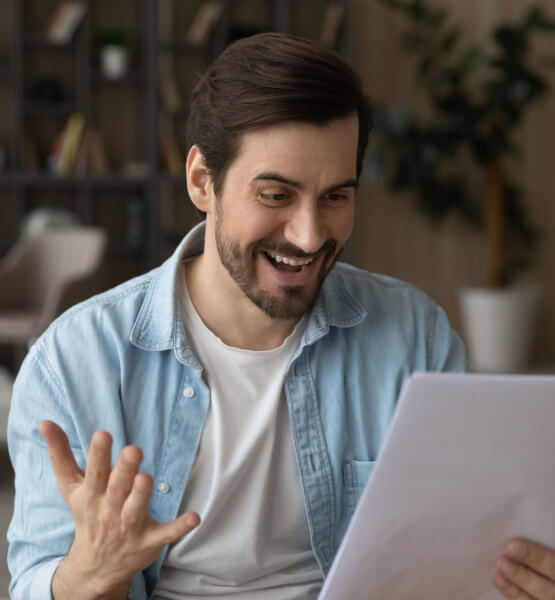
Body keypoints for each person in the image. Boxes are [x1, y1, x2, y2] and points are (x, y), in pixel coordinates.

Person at [7, 32, 554, 600]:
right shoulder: (74, 360)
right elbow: (36, 581)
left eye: (336, 197)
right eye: (275, 195)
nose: (310, 235)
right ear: (202, 181)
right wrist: (88, 575)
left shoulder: (415, 335)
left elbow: (474, 535)